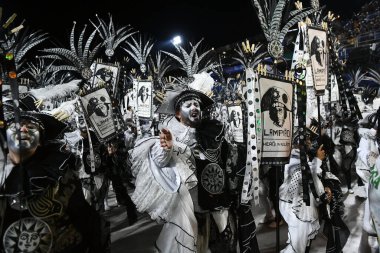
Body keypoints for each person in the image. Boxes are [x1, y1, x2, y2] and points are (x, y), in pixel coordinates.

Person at [128, 87, 259, 252]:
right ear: (177, 114)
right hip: (193, 210)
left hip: (221, 206)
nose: (194, 107)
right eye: (188, 105)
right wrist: (167, 148)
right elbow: (160, 160)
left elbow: (230, 160)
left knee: (226, 247)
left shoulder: (213, 132)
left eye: (196, 104)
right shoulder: (170, 135)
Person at [0, 111, 109, 253]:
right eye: (16, 126)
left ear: (40, 142)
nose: (24, 129)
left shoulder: (59, 173)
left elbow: (85, 219)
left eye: (32, 127)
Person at [279, 129, 332, 253]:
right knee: (297, 247)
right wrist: (318, 160)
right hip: (296, 207)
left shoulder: (300, 155)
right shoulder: (295, 158)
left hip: (302, 204)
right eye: (308, 140)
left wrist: (322, 191)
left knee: (303, 242)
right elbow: (305, 175)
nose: (310, 143)